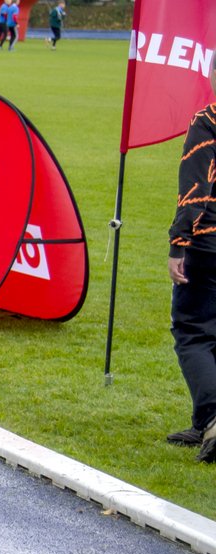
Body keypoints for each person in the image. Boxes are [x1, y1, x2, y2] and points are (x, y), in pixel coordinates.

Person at [166, 70, 216, 463]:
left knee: (193, 331)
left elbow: (194, 192)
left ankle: (213, 417)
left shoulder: (207, 123)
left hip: (208, 243)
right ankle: (203, 421)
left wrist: (179, 243)